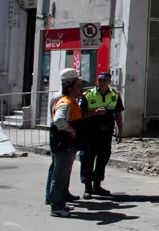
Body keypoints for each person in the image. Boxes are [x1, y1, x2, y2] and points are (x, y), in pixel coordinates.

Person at [79, 72, 123, 198]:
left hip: (106, 132)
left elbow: (118, 114)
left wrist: (120, 131)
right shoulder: (88, 95)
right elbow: (80, 114)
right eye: (99, 79)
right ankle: (87, 187)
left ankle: (97, 185)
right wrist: (95, 113)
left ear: (109, 82)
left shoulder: (114, 95)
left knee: (103, 157)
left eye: (104, 80)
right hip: (90, 132)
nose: (101, 82)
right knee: (88, 158)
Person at [49, 68, 85, 218]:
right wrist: (71, 130)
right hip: (63, 145)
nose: (81, 89)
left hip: (68, 145)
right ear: (70, 88)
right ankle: (56, 207)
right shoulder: (65, 102)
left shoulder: (71, 101)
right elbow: (59, 121)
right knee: (59, 177)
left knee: (63, 176)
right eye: (78, 86)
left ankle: (60, 203)